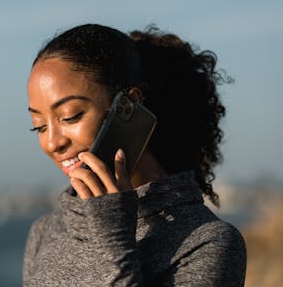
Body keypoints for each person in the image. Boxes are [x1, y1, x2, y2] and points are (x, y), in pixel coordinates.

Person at [23, 24, 246, 286]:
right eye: (39, 126)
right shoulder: (46, 230)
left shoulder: (207, 241)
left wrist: (111, 234)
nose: (52, 143)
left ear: (128, 106)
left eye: (71, 116)